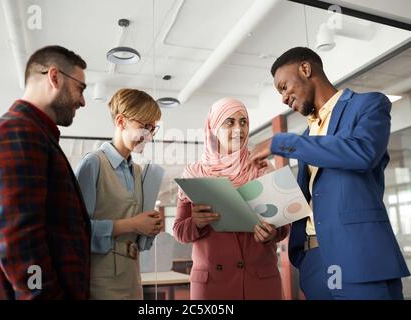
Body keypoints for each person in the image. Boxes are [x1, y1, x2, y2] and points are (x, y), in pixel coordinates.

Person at [249, 47, 410, 300]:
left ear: (305, 69)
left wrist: (279, 142)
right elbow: (314, 197)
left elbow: (362, 152)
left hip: (360, 260)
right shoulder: (307, 136)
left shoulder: (368, 104)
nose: (283, 98)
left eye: (283, 86)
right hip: (313, 263)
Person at [0, 45, 91, 299]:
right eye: (80, 88)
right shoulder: (19, 132)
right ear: (55, 77)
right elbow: (22, 244)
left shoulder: (33, 133)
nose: (82, 101)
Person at [174, 97, 289, 300]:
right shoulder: (193, 173)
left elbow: (283, 228)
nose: (238, 129)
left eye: (243, 122)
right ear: (214, 127)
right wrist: (196, 223)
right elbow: (179, 231)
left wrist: (272, 233)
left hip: (260, 282)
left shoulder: (262, 168)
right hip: (213, 285)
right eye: (230, 122)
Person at [75, 88, 163, 299]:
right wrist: (133, 224)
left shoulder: (138, 172)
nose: (149, 136)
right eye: (144, 127)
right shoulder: (93, 164)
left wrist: (150, 226)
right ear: (121, 121)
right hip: (100, 279)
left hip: (132, 276)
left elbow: (136, 224)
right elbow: (76, 229)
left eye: (153, 129)